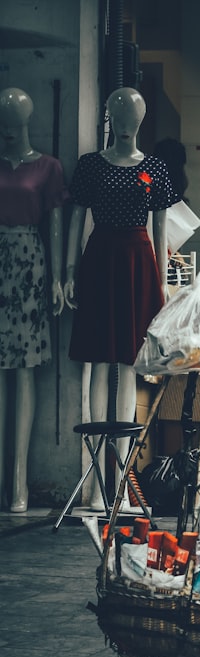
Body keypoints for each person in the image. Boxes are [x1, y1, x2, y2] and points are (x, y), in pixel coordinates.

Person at [64, 87, 180, 508]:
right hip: (100, 261)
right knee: (98, 362)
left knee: (128, 364)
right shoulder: (91, 166)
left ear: (142, 118)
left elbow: (161, 228)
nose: (126, 120)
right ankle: (97, 486)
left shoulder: (156, 169)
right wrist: (70, 270)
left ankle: (122, 488)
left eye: (132, 113)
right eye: (118, 111)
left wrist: (163, 282)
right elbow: (77, 217)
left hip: (137, 262)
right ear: (110, 117)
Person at [0, 87, 69, 512]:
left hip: (28, 264)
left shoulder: (47, 167)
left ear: (26, 121)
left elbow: (56, 222)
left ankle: (19, 482)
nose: (8, 131)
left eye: (14, 122)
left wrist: (60, 277)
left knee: (23, 372)